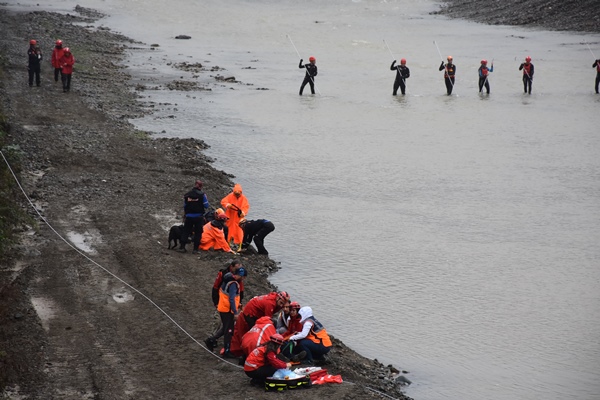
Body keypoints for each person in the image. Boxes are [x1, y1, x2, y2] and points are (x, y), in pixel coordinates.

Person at [229, 291, 290, 357]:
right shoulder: (270, 303)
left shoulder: (275, 300)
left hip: (255, 311)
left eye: (283, 304)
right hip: (250, 313)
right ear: (278, 298)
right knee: (254, 332)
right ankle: (248, 351)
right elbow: (267, 320)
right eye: (281, 303)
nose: (281, 306)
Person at [204, 267, 247, 357]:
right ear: (241, 276)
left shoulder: (228, 280)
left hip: (223, 308)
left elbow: (228, 297)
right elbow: (231, 298)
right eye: (243, 277)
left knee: (225, 328)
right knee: (229, 330)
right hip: (227, 310)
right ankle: (227, 350)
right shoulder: (234, 284)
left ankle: (212, 339)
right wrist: (235, 312)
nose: (244, 279)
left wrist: (238, 305)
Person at [179, 180, 210, 253]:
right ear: (201, 187)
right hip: (198, 217)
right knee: (198, 233)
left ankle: (182, 247)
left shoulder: (187, 195)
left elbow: (185, 205)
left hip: (189, 216)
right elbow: (206, 205)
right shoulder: (202, 195)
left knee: (186, 231)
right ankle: (195, 249)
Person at [220, 183, 249, 249]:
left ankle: (240, 245)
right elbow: (223, 201)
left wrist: (243, 213)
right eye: (236, 193)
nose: (237, 195)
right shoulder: (230, 196)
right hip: (230, 215)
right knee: (229, 229)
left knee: (239, 230)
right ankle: (228, 242)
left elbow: (246, 207)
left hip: (238, 217)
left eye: (238, 193)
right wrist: (228, 205)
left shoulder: (243, 198)